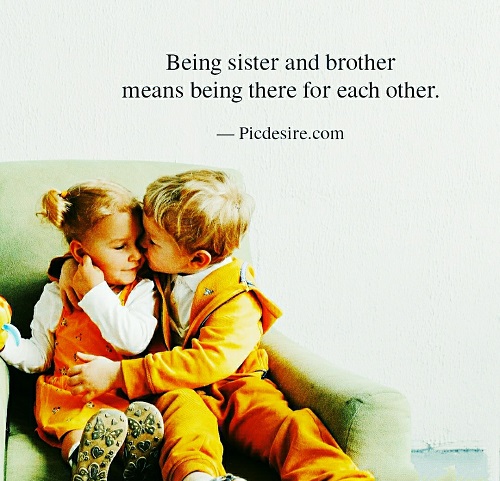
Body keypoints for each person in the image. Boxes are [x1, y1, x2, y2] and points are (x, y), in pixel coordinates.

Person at [58, 170, 375, 481]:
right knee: (185, 426)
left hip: (239, 386)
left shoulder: (237, 297)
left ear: (198, 260)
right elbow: (104, 260)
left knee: (289, 429)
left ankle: (337, 477)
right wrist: (71, 267)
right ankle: (198, 477)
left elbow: (208, 362)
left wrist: (120, 374)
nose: (139, 245)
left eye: (151, 240)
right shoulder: (159, 265)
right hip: (178, 389)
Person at [0, 180, 164, 481]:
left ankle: (134, 458)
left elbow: (132, 342)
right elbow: (40, 355)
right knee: (75, 431)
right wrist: (5, 343)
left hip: (121, 393)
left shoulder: (142, 290)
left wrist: (95, 292)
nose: (136, 255)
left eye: (139, 242)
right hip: (69, 393)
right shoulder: (56, 295)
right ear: (80, 252)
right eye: (120, 246)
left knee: (126, 423)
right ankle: (84, 463)